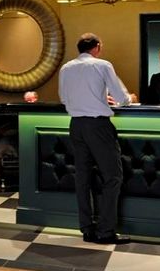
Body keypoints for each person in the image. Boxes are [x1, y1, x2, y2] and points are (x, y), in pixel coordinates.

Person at [58, 33, 135, 245]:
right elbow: (121, 99)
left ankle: (87, 228)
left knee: (82, 178)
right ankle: (105, 231)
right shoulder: (103, 65)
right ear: (97, 47)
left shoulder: (66, 68)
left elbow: (64, 99)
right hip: (98, 126)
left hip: (76, 126)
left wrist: (94, 98)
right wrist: (128, 98)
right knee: (113, 177)